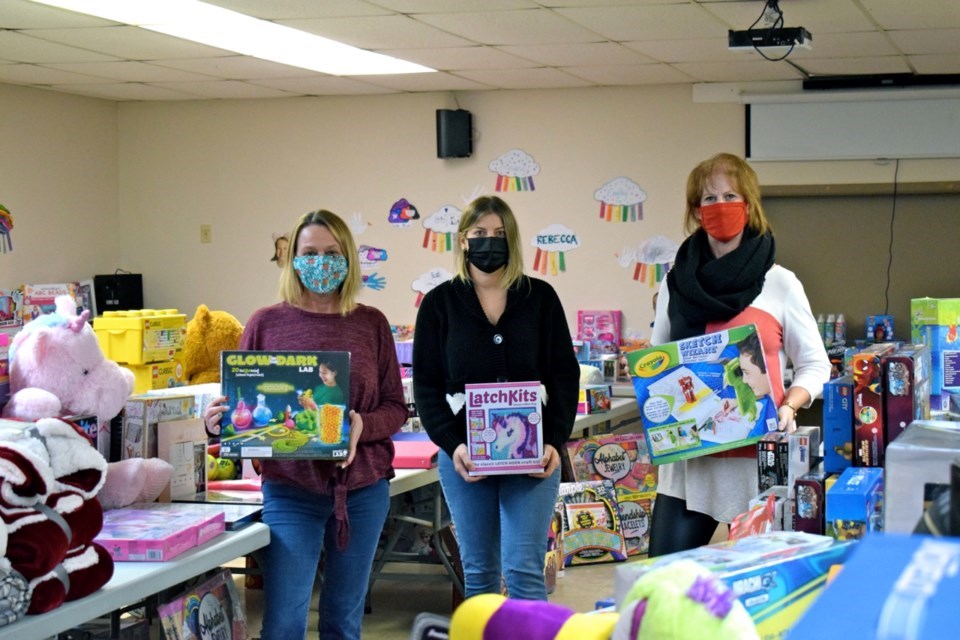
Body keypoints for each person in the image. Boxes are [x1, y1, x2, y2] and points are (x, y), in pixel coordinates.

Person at [204, 209, 407, 640]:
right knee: (282, 622)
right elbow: (240, 405)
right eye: (310, 253)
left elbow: (395, 407)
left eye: (332, 253)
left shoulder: (370, 324)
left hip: (363, 490)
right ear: (292, 258)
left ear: (348, 259)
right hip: (291, 489)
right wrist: (218, 425)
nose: (321, 262)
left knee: (343, 620)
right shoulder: (265, 323)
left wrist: (360, 426)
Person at [646, 152, 830, 557]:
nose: (720, 206)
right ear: (696, 210)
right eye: (708, 198)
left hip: (760, 457)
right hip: (691, 462)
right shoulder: (676, 283)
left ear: (749, 205)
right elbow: (658, 361)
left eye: (730, 195)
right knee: (663, 579)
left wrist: (790, 404)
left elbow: (816, 364)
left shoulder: (779, 283)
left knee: (761, 581)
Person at [412, 195, 580, 600]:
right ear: (463, 240)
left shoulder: (540, 297)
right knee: (480, 572)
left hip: (534, 456)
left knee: (524, 570)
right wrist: (453, 446)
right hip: (466, 458)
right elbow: (427, 386)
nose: (490, 242)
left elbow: (563, 374)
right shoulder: (439, 304)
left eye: (500, 234)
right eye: (480, 233)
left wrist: (556, 440)